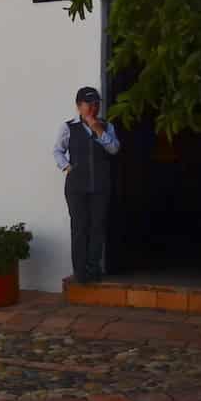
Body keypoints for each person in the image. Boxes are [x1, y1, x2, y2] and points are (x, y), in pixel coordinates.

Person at [54, 86, 120, 284]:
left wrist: (97, 128)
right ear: (78, 106)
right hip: (76, 187)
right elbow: (58, 150)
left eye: (96, 103)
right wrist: (66, 167)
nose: (93, 107)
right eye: (88, 103)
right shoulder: (68, 127)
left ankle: (94, 269)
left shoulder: (106, 127)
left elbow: (114, 149)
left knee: (97, 227)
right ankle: (80, 272)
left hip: (100, 186)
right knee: (80, 228)